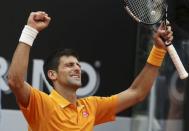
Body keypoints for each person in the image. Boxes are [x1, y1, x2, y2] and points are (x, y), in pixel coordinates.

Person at [8, 11, 173, 131]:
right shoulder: (42, 104)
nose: (77, 68)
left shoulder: (91, 107)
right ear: (52, 75)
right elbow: (15, 81)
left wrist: (158, 50)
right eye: (69, 65)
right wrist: (30, 31)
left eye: (78, 65)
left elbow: (137, 93)